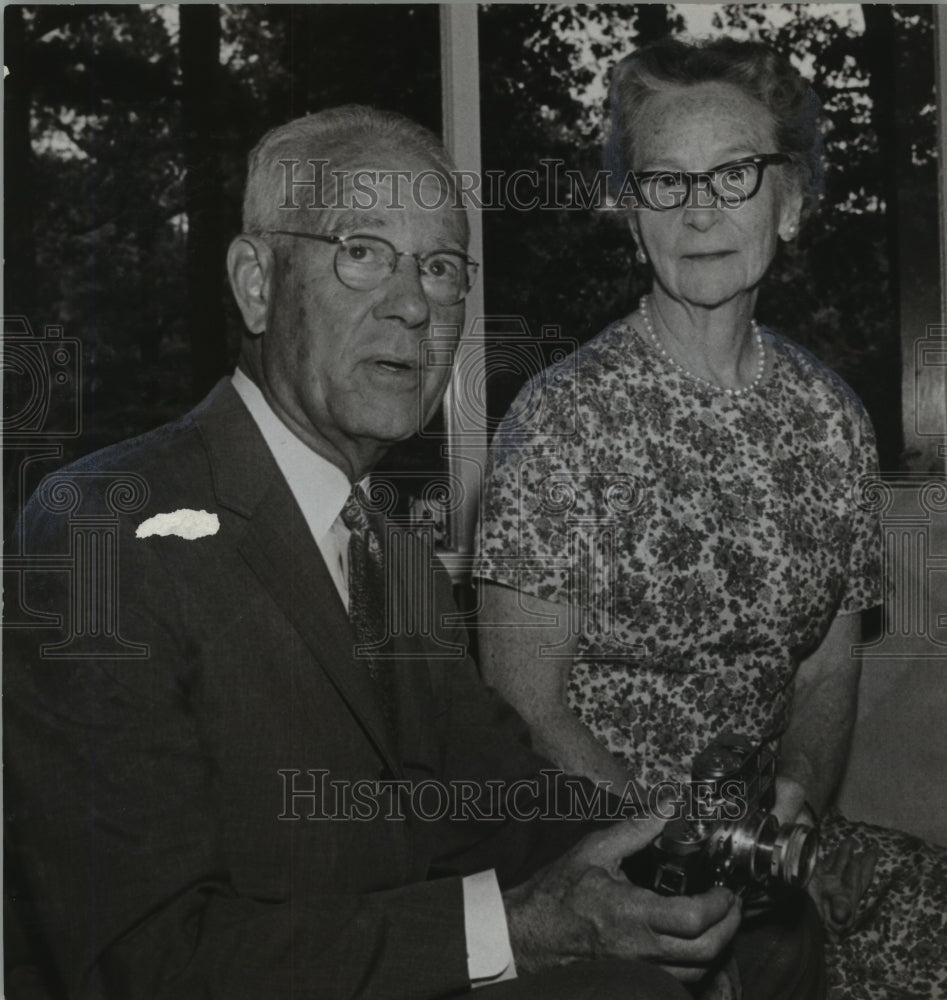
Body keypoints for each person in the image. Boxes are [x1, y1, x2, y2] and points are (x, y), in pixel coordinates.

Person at [2, 104, 772, 1000]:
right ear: (256, 282)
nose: (413, 306)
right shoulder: (101, 533)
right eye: (362, 251)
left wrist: (685, 840)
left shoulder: (393, 559)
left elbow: (503, 806)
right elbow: (146, 963)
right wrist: (519, 929)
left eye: (442, 269)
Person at [474, 38, 947, 1000]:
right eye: (664, 182)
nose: (698, 210)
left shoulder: (831, 419)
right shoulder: (562, 419)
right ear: (632, 213)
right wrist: (687, 859)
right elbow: (527, 706)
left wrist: (798, 805)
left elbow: (824, 663)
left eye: (734, 174)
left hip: (762, 844)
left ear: (792, 200)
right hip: (597, 845)